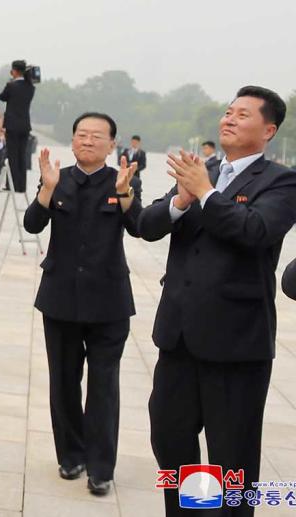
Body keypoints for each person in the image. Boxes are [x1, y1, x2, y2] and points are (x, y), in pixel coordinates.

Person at [138, 86, 296, 517]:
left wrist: (206, 194)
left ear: (268, 130)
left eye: (242, 114)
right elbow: (147, 224)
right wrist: (179, 201)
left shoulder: (281, 181)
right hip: (179, 337)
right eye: (228, 112)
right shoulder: (200, 170)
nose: (228, 119)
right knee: (170, 441)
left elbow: (255, 231)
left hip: (236, 345)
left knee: (233, 460)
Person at [24, 112, 141, 497]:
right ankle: (70, 455)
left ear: (111, 145)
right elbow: (32, 224)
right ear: (72, 141)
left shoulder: (121, 181)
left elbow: (140, 225)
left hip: (109, 301)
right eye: (81, 135)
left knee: (104, 386)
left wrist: (126, 194)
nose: (87, 141)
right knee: (64, 382)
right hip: (61, 299)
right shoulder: (60, 179)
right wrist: (45, 189)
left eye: (97, 137)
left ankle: (101, 467)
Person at [0, 60, 34, 192]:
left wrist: (9, 83)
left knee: (12, 155)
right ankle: (21, 185)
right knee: (22, 155)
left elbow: (2, 97)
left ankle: (12, 184)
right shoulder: (30, 87)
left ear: (14, 71)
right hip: (25, 125)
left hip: (12, 125)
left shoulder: (11, 86)